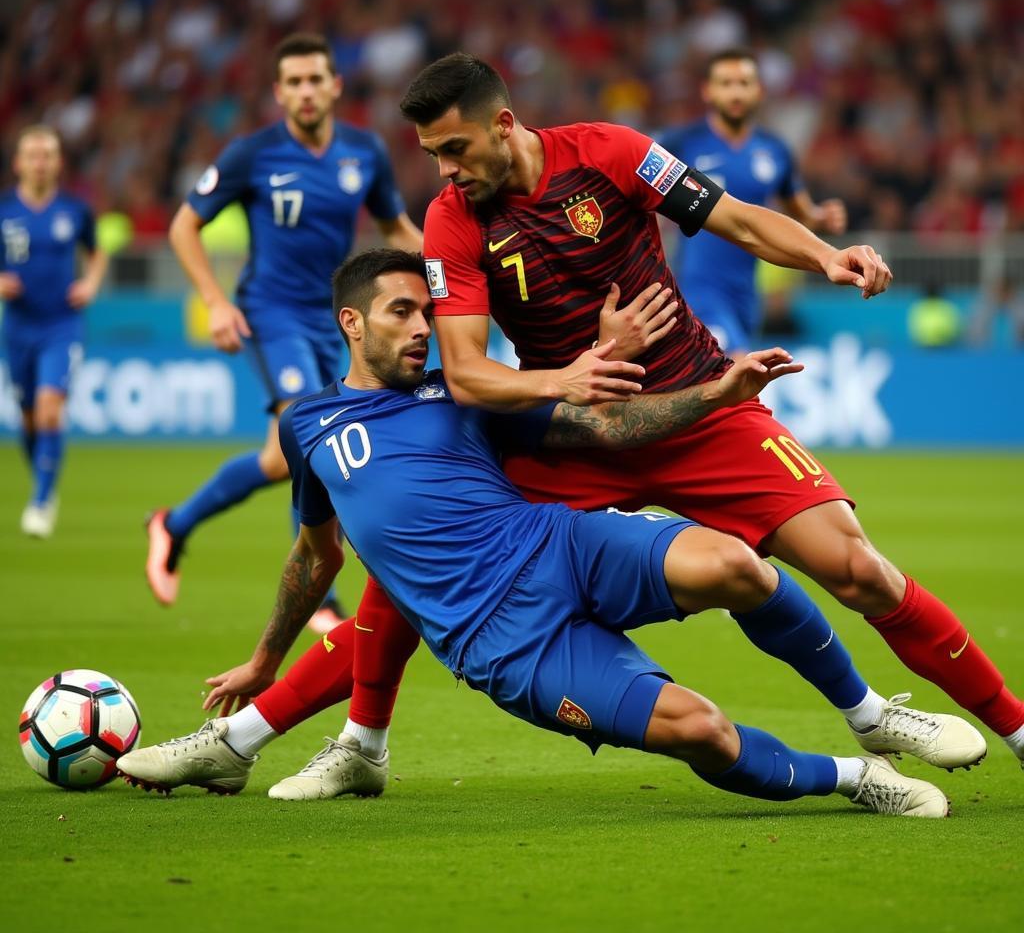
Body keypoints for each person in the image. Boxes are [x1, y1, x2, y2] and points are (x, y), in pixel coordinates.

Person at [118, 250, 960, 818]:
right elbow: (315, 554)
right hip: (504, 642)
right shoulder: (308, 426)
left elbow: (606, 431)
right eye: (402, 313)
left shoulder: (471, 394)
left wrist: (716, 394)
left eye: (427, 312)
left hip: (561, 544)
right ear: (351, 324)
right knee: (701, 731)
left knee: (740, 565)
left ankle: (868, 713)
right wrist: (266, 658)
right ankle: (857, 780)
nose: (422, 328)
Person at [391, 52, 1024, 771]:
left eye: (454, 149)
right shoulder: (452, 222)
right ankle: (360, 742)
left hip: (703, 408)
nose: (444, 171)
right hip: (577, 438)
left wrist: (823, 256)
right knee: (421, 551)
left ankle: (1016, 730)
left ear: (503, 124)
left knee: (860, 569)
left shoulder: (610, 152)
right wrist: (571, 377)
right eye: (432, 155)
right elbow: (469, 373)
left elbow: (737, 220)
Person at [144, 32, 423, 632]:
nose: (304, 91)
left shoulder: (364, 153)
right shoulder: (252, 154)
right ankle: (321, 596)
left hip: (336, 322)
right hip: (272, 314)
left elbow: (396, 227)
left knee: (280, 459)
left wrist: (450, 270)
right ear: (278, 92)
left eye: (314, 79)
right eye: (292, 82)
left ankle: (172, 524)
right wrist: (215, 302)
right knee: (309, 435)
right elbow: (183, 227)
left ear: (334, 85)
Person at [655, 48, 847, 356]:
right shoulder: (681, 143)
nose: (736, 92)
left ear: (758, 91)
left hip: (746, 295)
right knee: (734, 366)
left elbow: (801, 213)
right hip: (699, 288)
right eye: (726, 83)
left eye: (744, 83)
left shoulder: (774, 151)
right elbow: (639, 194)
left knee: (728, 387)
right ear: (708, 91)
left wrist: (821, 218)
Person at [0, 125, 106, 538]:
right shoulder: (5, 211)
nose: (40, 162)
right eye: (33, 155)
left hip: (62, 325)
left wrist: (91, 284)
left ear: (58, 162)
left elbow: (97, 252)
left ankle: (42, 499)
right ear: (19, 163)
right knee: (28, 420)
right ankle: (43, 480)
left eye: (47, 154)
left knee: (49, 408)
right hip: (19, 327)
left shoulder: (74, 210)